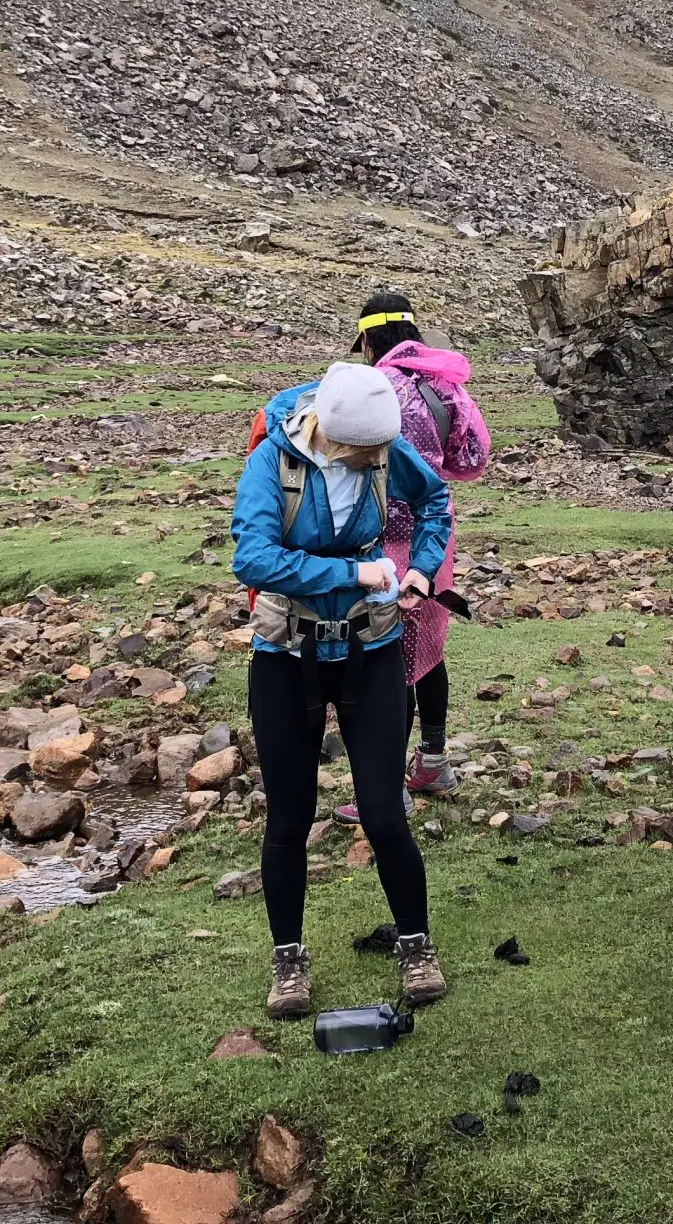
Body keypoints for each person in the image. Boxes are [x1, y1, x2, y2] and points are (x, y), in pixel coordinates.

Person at [233, 359, 455, 1021]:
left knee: (386, 815)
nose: (377, 462)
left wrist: (419, 571)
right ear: (331, 433)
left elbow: (436, 500)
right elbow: (252, 557)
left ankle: (416, 945)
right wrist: (357, 575)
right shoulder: (271, 464)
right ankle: (288, 961)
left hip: (372, 652)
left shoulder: (385, 449)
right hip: (285, 659)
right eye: (365, 454)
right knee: (290, 820)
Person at [347, 290, 493, 803]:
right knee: (428, 650)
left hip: (379, 542)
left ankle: (388, 786)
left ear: (367, 337)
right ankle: (433, 761)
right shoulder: (444, 385)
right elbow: (472, 455)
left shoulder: (370, 386)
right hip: (437, 536)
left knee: (383, 657)